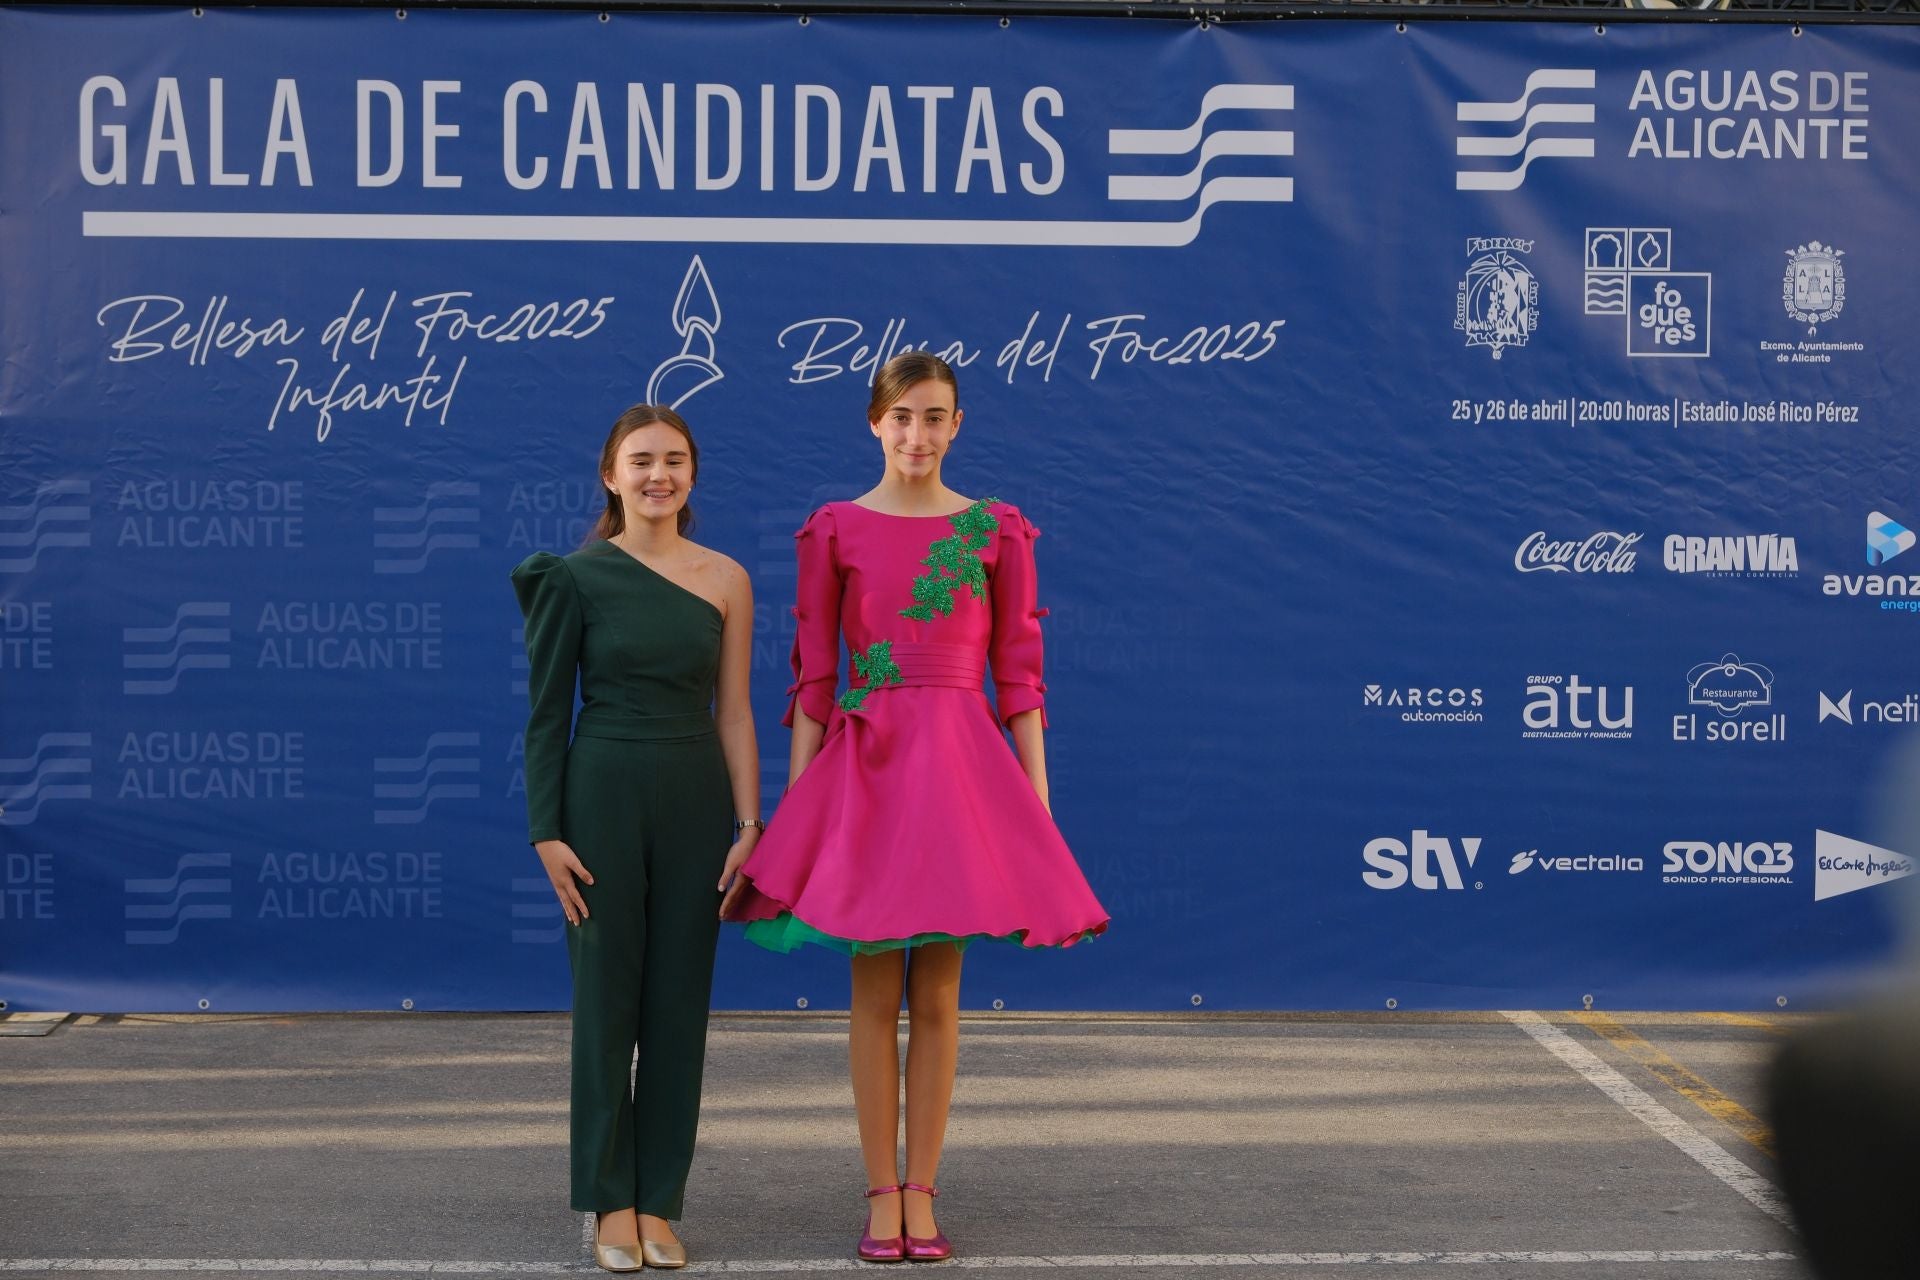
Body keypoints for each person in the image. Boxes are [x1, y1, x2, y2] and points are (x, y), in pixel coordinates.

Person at [722, 352, 1108, 1263]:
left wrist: (1036, 807)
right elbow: (815, 679)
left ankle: (924, 1190)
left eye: (934, 418)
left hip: (964, 771)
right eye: (901, 417)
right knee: (868, 993)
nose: (917, 436)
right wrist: (798, 804)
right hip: (869, 771)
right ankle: (879, 1192)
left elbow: (1020, 677)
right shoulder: (834, 530)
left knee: (938, 994)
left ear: (958, 425)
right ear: (874, 423)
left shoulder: (995, 530)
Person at [511, 404, 760, 1273]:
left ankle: (660, 1202)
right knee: (607, 1010)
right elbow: (547, 716)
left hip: (696, 800)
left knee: (679, 1010)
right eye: (642, 459)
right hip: (601, 797)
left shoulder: (727, 577)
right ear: (611, 475)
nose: (660, 474)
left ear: (692, 476)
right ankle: (608, 1202)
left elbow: (734, 711)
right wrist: (547, 831)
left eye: (676, 460)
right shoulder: (572, 577)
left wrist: (749, 824)